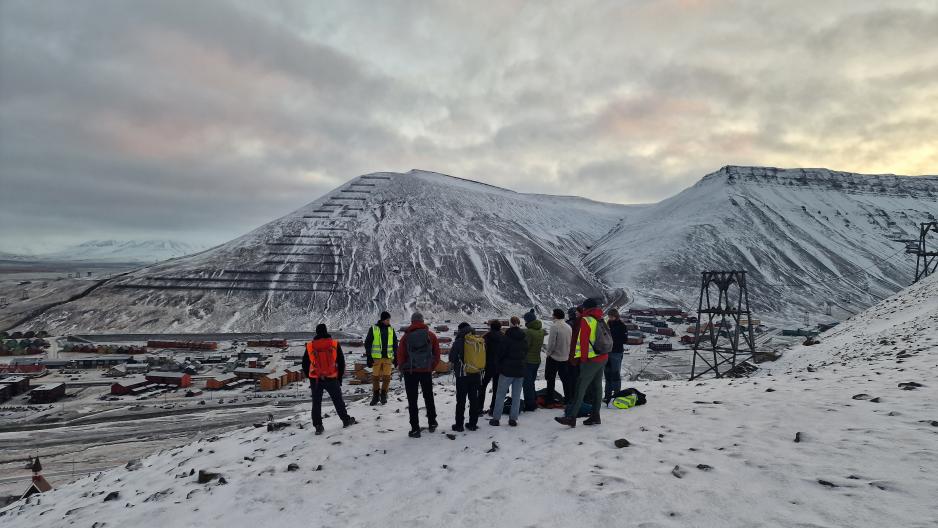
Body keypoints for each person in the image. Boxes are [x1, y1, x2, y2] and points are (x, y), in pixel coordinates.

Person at [556, 298, 609, 428]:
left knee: (580, 387)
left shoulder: (587, 320)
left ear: (586, 308)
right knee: (597, 386)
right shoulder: (602, 319)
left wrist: (583, 360)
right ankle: (595, 416)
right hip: (603, 357)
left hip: (591, 360)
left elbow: (584, 343)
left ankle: (571, 417)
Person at [303, 323, 356, 435]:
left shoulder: (310, 345)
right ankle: (346, 420)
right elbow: (341, 362)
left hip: (316, 379)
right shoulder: (334, 344)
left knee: (316, 403)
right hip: (332, 378)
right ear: (326, 331)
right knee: (338, 400)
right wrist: (339, 378)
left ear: (316, 332)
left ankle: (318, 426)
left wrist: (311, 377)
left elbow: (305, 364)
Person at [398, 312, 441, 438]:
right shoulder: (431, 335)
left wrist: (402, 368)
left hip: (410, 373)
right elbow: (437, 355)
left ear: (412, 322)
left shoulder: (406, 337)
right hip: (426, 372)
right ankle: (432, 422)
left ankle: (415, 429)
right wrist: (430, 367)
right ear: (422, 321)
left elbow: (400, 355)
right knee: (428, 397)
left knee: (412, 401)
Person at [490, 316, 527, 427]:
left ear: (510, 324)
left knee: (500, 395)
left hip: (506, 371)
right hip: (519, 370)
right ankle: (513, 419)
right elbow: (526, 352)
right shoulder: (523, 338)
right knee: (516, 396)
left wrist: (499, 365)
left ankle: (496, 418)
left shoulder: (506, 338)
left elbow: (500, 354)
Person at [449, 322, 483, 432]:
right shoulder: (477, 340)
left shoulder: (459, 342)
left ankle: (459, 425)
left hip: (462, 375)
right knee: (474, 399)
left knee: (461, 401)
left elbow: (452, 358)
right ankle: (473, 424)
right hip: (476, 373)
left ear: (460, 330)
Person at [364, 311, 397, 406]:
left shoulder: (391, 329)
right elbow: (368, 343)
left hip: (388, 358)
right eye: (387, 319)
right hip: (376, 358)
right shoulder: (374, 329)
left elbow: (395, 344)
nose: (389, 321)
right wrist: (369, 357)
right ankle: (375, 396)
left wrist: (396, 357)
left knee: (387, 378)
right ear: (383, 320)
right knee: (375, 378)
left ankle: (383, 395)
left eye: (389, 319)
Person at [544, 308, 573, 405]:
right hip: (565, 357)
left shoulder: (554, 326)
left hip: (554, 357)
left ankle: (549, 400)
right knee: (566, 379)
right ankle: (568, 399)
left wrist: (548, 354)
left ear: (555, 316)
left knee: (550, 379)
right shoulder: (568, 327)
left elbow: (552, 343)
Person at [522, 308, 545, 412]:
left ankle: (530, 404)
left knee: (527, 383)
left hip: (528, 360)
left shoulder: (529, 332)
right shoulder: (540, 331)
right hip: (537, 359)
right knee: (531, 382)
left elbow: (525, 347)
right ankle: (534, 399)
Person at [604, 308, 628, 405]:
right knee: (607, 374)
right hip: (607, 352)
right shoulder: (607, 324)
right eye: (609, 316)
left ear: (616, 316)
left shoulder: (622, 326)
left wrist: (613, 341)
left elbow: (625, 339)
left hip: (616, 352)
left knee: (615, 374)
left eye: (611, 316)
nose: (610, 318)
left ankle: (617, 395)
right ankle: (607, 395)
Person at [480, 320, 504, 416]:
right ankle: (493, 408)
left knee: (482, 386)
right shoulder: (504, 337)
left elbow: (481, 351)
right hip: (499, 366)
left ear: (491, 327)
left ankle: (479, 408)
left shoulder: (486, 337)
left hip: (488, 365)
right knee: (496, 389)